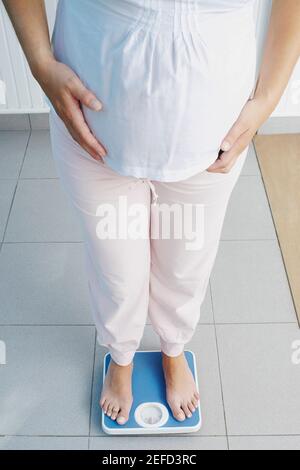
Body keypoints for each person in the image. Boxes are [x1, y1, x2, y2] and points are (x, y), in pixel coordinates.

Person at [4, 0, 300, 427]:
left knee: (186, 265)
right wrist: (38, 62)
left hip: (213, 139)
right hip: (92, 131)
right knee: (116, 269)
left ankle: (173, 350)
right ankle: (121, 356)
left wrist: (268, 99)